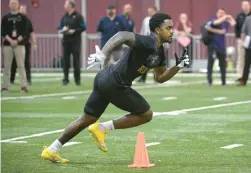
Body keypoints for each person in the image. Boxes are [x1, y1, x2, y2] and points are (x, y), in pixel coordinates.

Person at [41, 13, 189, 163]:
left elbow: (160, 78)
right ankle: (103, 128)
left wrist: (178, 66)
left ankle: (51, 150)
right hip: (115, 83)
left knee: (87, 119)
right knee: (146, 114)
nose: (172, 31)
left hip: (105, 79)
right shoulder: (148, 41)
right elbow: (122, 35)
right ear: (158, 30)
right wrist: (103, 54)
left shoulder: (160, 51)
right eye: (168, 28)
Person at [1, 0, 29, 93]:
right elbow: (3, 31)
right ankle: (5, 86)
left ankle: (23, 86)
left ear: (18, 5)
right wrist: (10, 40)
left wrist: (16, 41)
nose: (13, 5)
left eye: (15, 3)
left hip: (19, 45)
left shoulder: (23, 18)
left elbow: (25, 31)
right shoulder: (5, 18)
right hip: (7, 45)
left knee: (21, 65)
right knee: (7, 66)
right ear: (9, 5)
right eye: (12, 3)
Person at [58, 0, 86, 86]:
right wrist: (63, 30)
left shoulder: (78, 16)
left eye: (66, 4)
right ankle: (65, 79)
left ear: (70, 5)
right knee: (66, 62)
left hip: (75, 42)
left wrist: (73, 31)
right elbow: (59, 27)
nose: (64, 6)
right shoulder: (64, 17)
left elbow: (83, 27)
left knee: (76, 61)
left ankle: (77, 80)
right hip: (66, 42)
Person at [205, 8, 236, 86]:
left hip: (221, 46)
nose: (220, 14)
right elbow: (215, 23)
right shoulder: (213, 19)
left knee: (222, 64)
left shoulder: (225, 22)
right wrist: (225, 17)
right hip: (212, 45)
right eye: (219, 12)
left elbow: (224, 31)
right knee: (210, 64)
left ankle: (223, 81)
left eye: (222, 13)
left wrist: (229, 17)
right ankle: (209, 81)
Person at [10, 4, 37, 85]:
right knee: (14, 62)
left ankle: (28, 79)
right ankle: (11, 79)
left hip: (25, 44)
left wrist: (35, 43)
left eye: (24, 10)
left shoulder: (28, 21)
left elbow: (32, 32)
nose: (23, 11)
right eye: (22, 9)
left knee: (26, 62)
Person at [137, 7, 158, 83]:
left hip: (155, 43)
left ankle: (156, 78)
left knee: (155, 61)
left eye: (151, 11)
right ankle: (142, 78)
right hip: (147, 42)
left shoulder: (160, 20)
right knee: (144, 61)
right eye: (149, 11)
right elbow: (143, 31)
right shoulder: (146, 20)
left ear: (155, 11)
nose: (150, 13)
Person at [235, 0, 251, 82]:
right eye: (243, 5)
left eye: (246, 5)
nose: (245, 7)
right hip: (242, 40)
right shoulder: (239, 16)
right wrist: (239, 38)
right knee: (241, 58)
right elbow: (237, 28)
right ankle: (240, 76)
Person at [239, 15, 251, 86]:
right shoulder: (248, 19)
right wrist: (243, 42)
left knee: (246, 63)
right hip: (249, 43)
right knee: (247, 63)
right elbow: (243, 31)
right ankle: (244, 80)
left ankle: (244, 80)